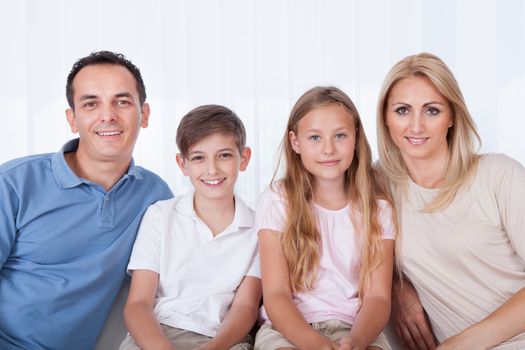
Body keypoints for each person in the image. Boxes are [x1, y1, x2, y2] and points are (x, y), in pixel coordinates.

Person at [0, 51, 173, 350]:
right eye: (91, 103)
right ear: (73, 118)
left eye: (122, 101)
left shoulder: (155, 196)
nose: (108, 115)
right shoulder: (14, 182)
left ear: (144, 115)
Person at [376, 52, 525, 350]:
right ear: (386, 119)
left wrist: (461, 344)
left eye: (431, 110)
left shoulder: (499, 175)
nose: (415, 126)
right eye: (402, 110)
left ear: (452, 116)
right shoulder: (377, 184)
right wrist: (397, 286)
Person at [254, 86, 396, 350]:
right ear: (296, 142)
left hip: (356, 328)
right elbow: (276, 294)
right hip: (288, 329)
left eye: (340, 135)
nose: (328, 149)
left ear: (355, 138)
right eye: (315, 138)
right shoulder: (277, 200)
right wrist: (313, 343)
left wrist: (357, 340)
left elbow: (377, 297)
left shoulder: (378, 208)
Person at [119, 104, 261, 350]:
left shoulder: (259, 230)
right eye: (198, 158)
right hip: (158, 335)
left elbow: (245, 308)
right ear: (182, 164)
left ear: (244, 158)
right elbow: (138, 304)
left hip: (222, 340)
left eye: (224, 155)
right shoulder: (160, 216)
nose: (212, 169)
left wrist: (212, 348)